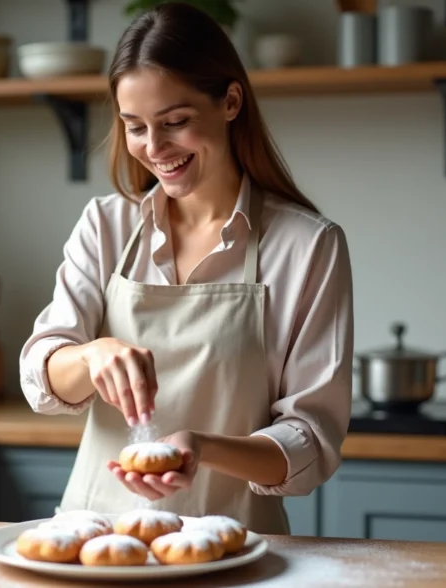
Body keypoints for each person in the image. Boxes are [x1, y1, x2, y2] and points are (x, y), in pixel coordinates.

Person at [19, 2, 353, 536]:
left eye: (175, 122)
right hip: (97, 541)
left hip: (237, 547)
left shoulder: (308, 246)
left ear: (231, 101)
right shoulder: (106, 225)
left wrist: (202, 447)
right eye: (135, 128)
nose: (155, 149)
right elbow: (42, 375)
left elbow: (311, 440)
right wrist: (92, 354)